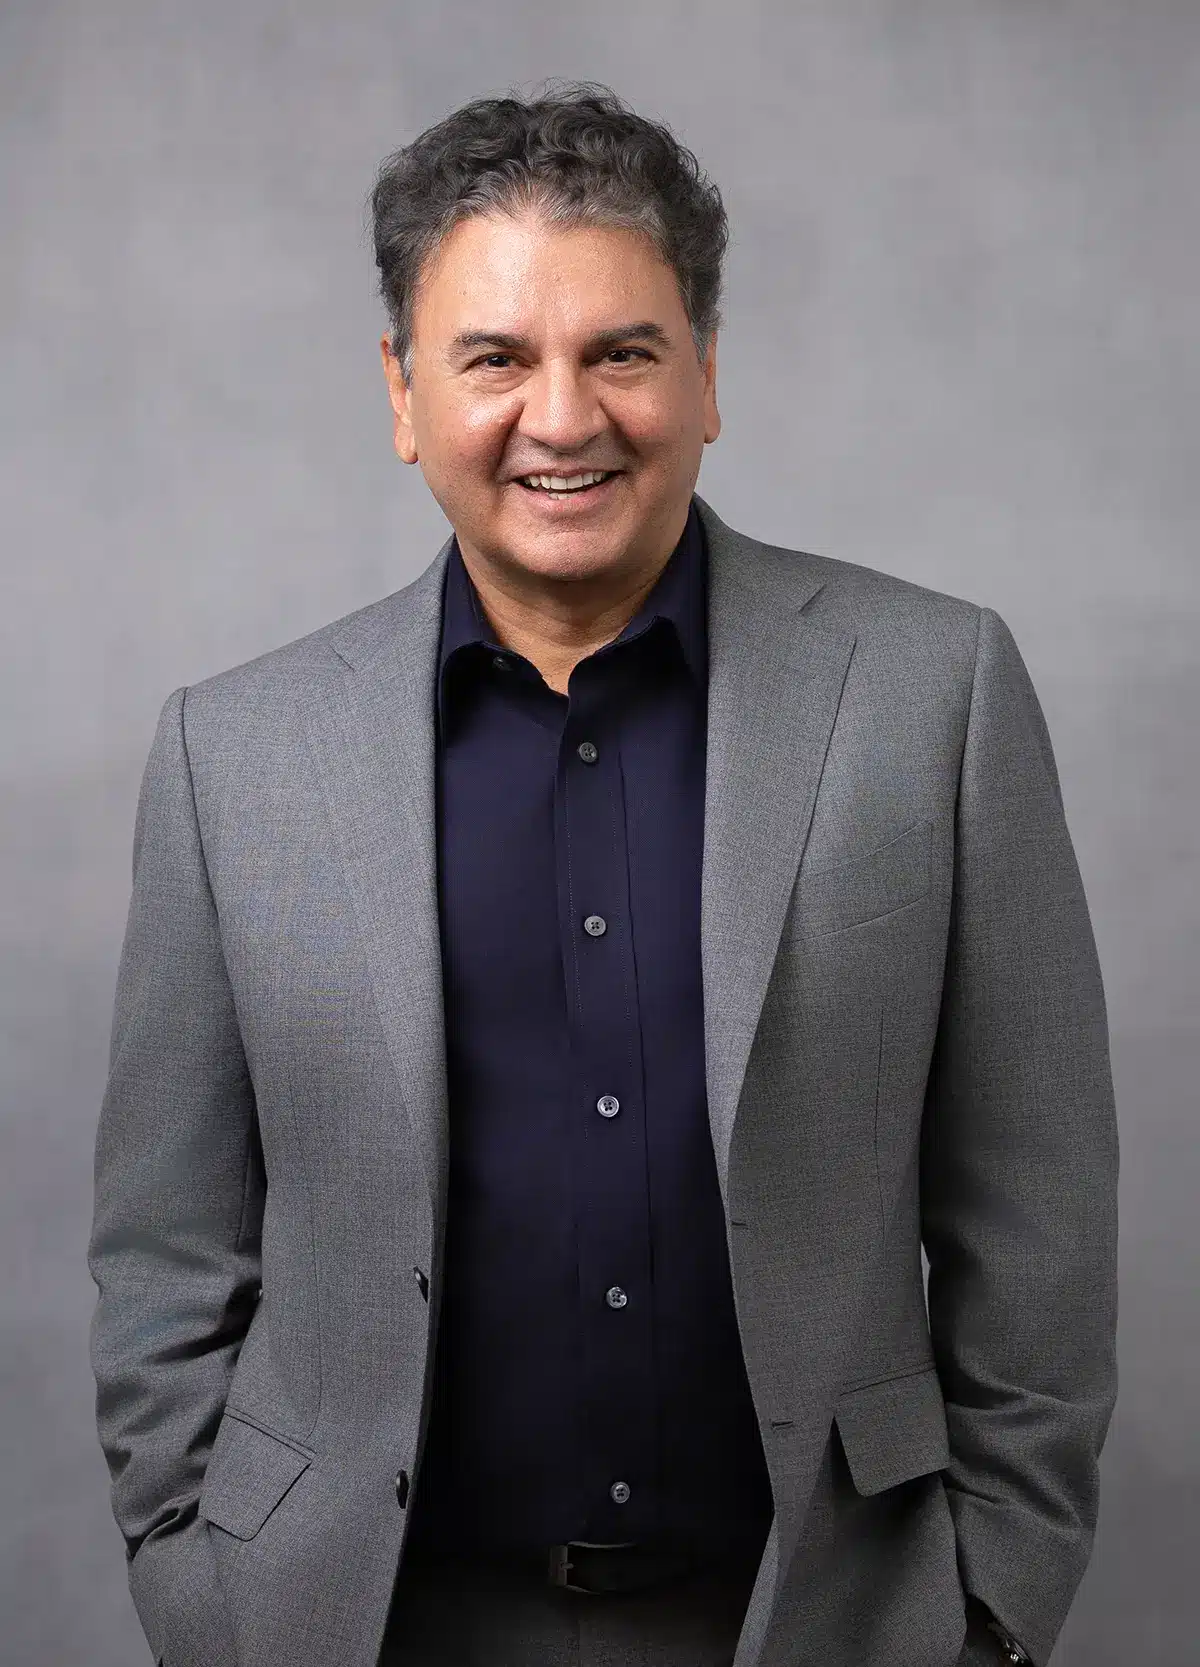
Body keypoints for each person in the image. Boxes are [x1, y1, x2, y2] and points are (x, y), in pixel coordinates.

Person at [87, 83, 1118, 1667]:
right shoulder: (236, 756)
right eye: (495, 357)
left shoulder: (934, 693)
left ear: (707, 373)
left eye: (621, 351)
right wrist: (196, 1579)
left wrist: (991, 1607)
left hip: (820, 1616)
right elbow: (168, 1250)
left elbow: (1036, 1208)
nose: (561, 419)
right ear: (403, 391)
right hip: (350, 1623)